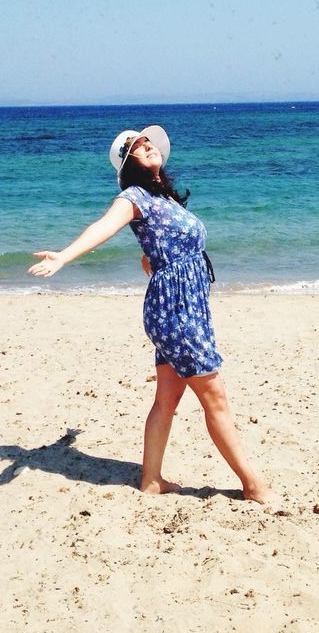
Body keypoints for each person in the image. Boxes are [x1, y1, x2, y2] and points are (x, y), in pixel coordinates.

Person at [28, 125, 273, 504]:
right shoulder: (132, 197)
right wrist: (64, 256)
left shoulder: (166, 199)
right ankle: (253, 485)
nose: (146, 145)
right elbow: (102, 228)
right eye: (135, 146)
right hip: (175, 309)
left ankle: (152, 480)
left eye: (146, 141)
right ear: (129, 163)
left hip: (186, 303)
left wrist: (154, 260)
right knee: (215, 397)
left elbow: (159, 244)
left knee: (167, 399)